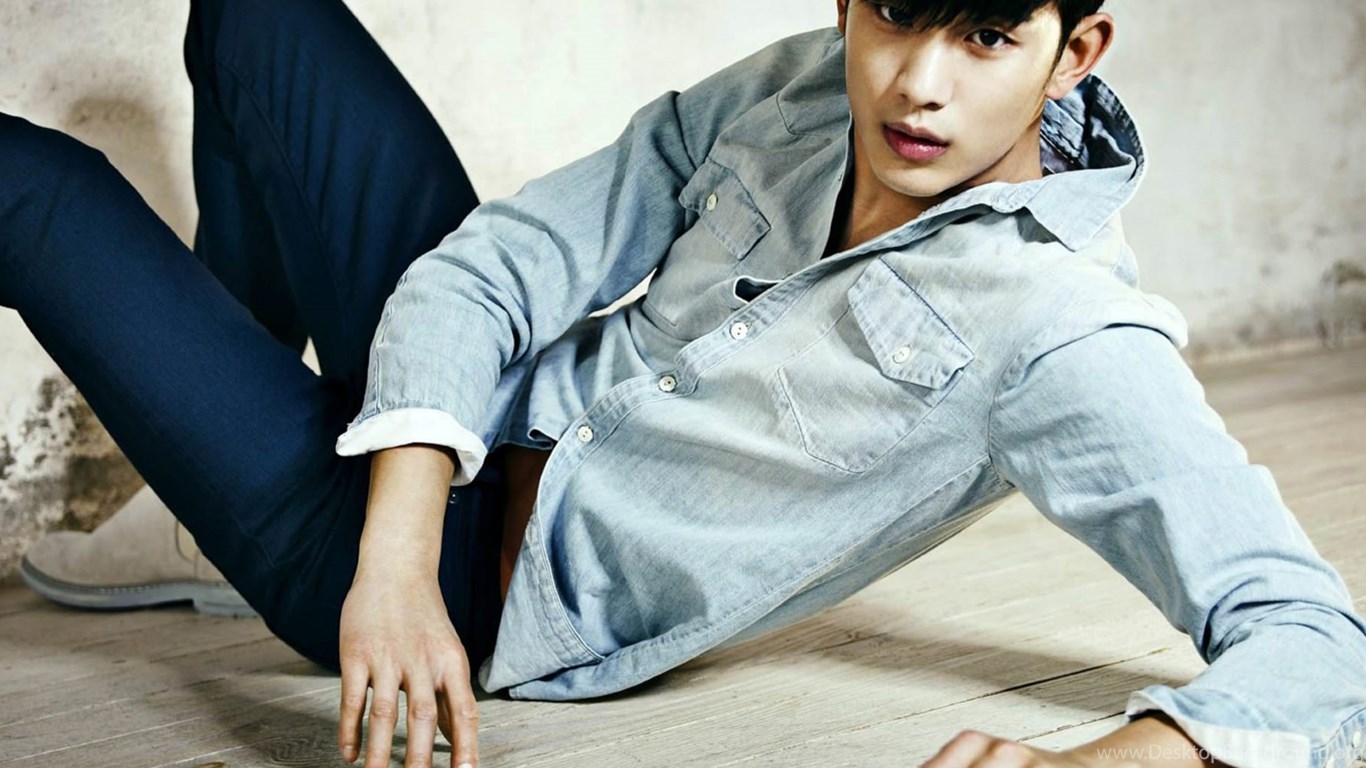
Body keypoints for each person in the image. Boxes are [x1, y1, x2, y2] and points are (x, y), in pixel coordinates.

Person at [4, 1, 1363, 767]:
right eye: (893, 14)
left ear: (1077, 51)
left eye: (988, 37)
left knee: (32, 191)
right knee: (258, 15)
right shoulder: (800, 91)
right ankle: (206, 466)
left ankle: (239, 477)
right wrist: (394, 554)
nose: (917, 86)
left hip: (476, 596)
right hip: (448, 445)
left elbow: (1317, 645)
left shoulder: (1064, 328)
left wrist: (1111, 767)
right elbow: (507, 263)